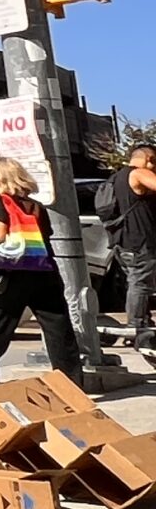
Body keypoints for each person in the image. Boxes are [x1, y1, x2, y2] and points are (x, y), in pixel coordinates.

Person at [0, 156, 87, 383]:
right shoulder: (36, 206)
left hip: (12, 273)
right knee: (58, 328)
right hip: (44, 271)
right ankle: (71, 384)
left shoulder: (0, 200)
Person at [113, 145, 156, 355]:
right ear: (149, 159)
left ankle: (142, 324)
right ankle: (137, 326)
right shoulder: (138, 173)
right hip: (141, 241)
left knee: (137, 282)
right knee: (140, 284)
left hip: (123, 241)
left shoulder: (115, 179)